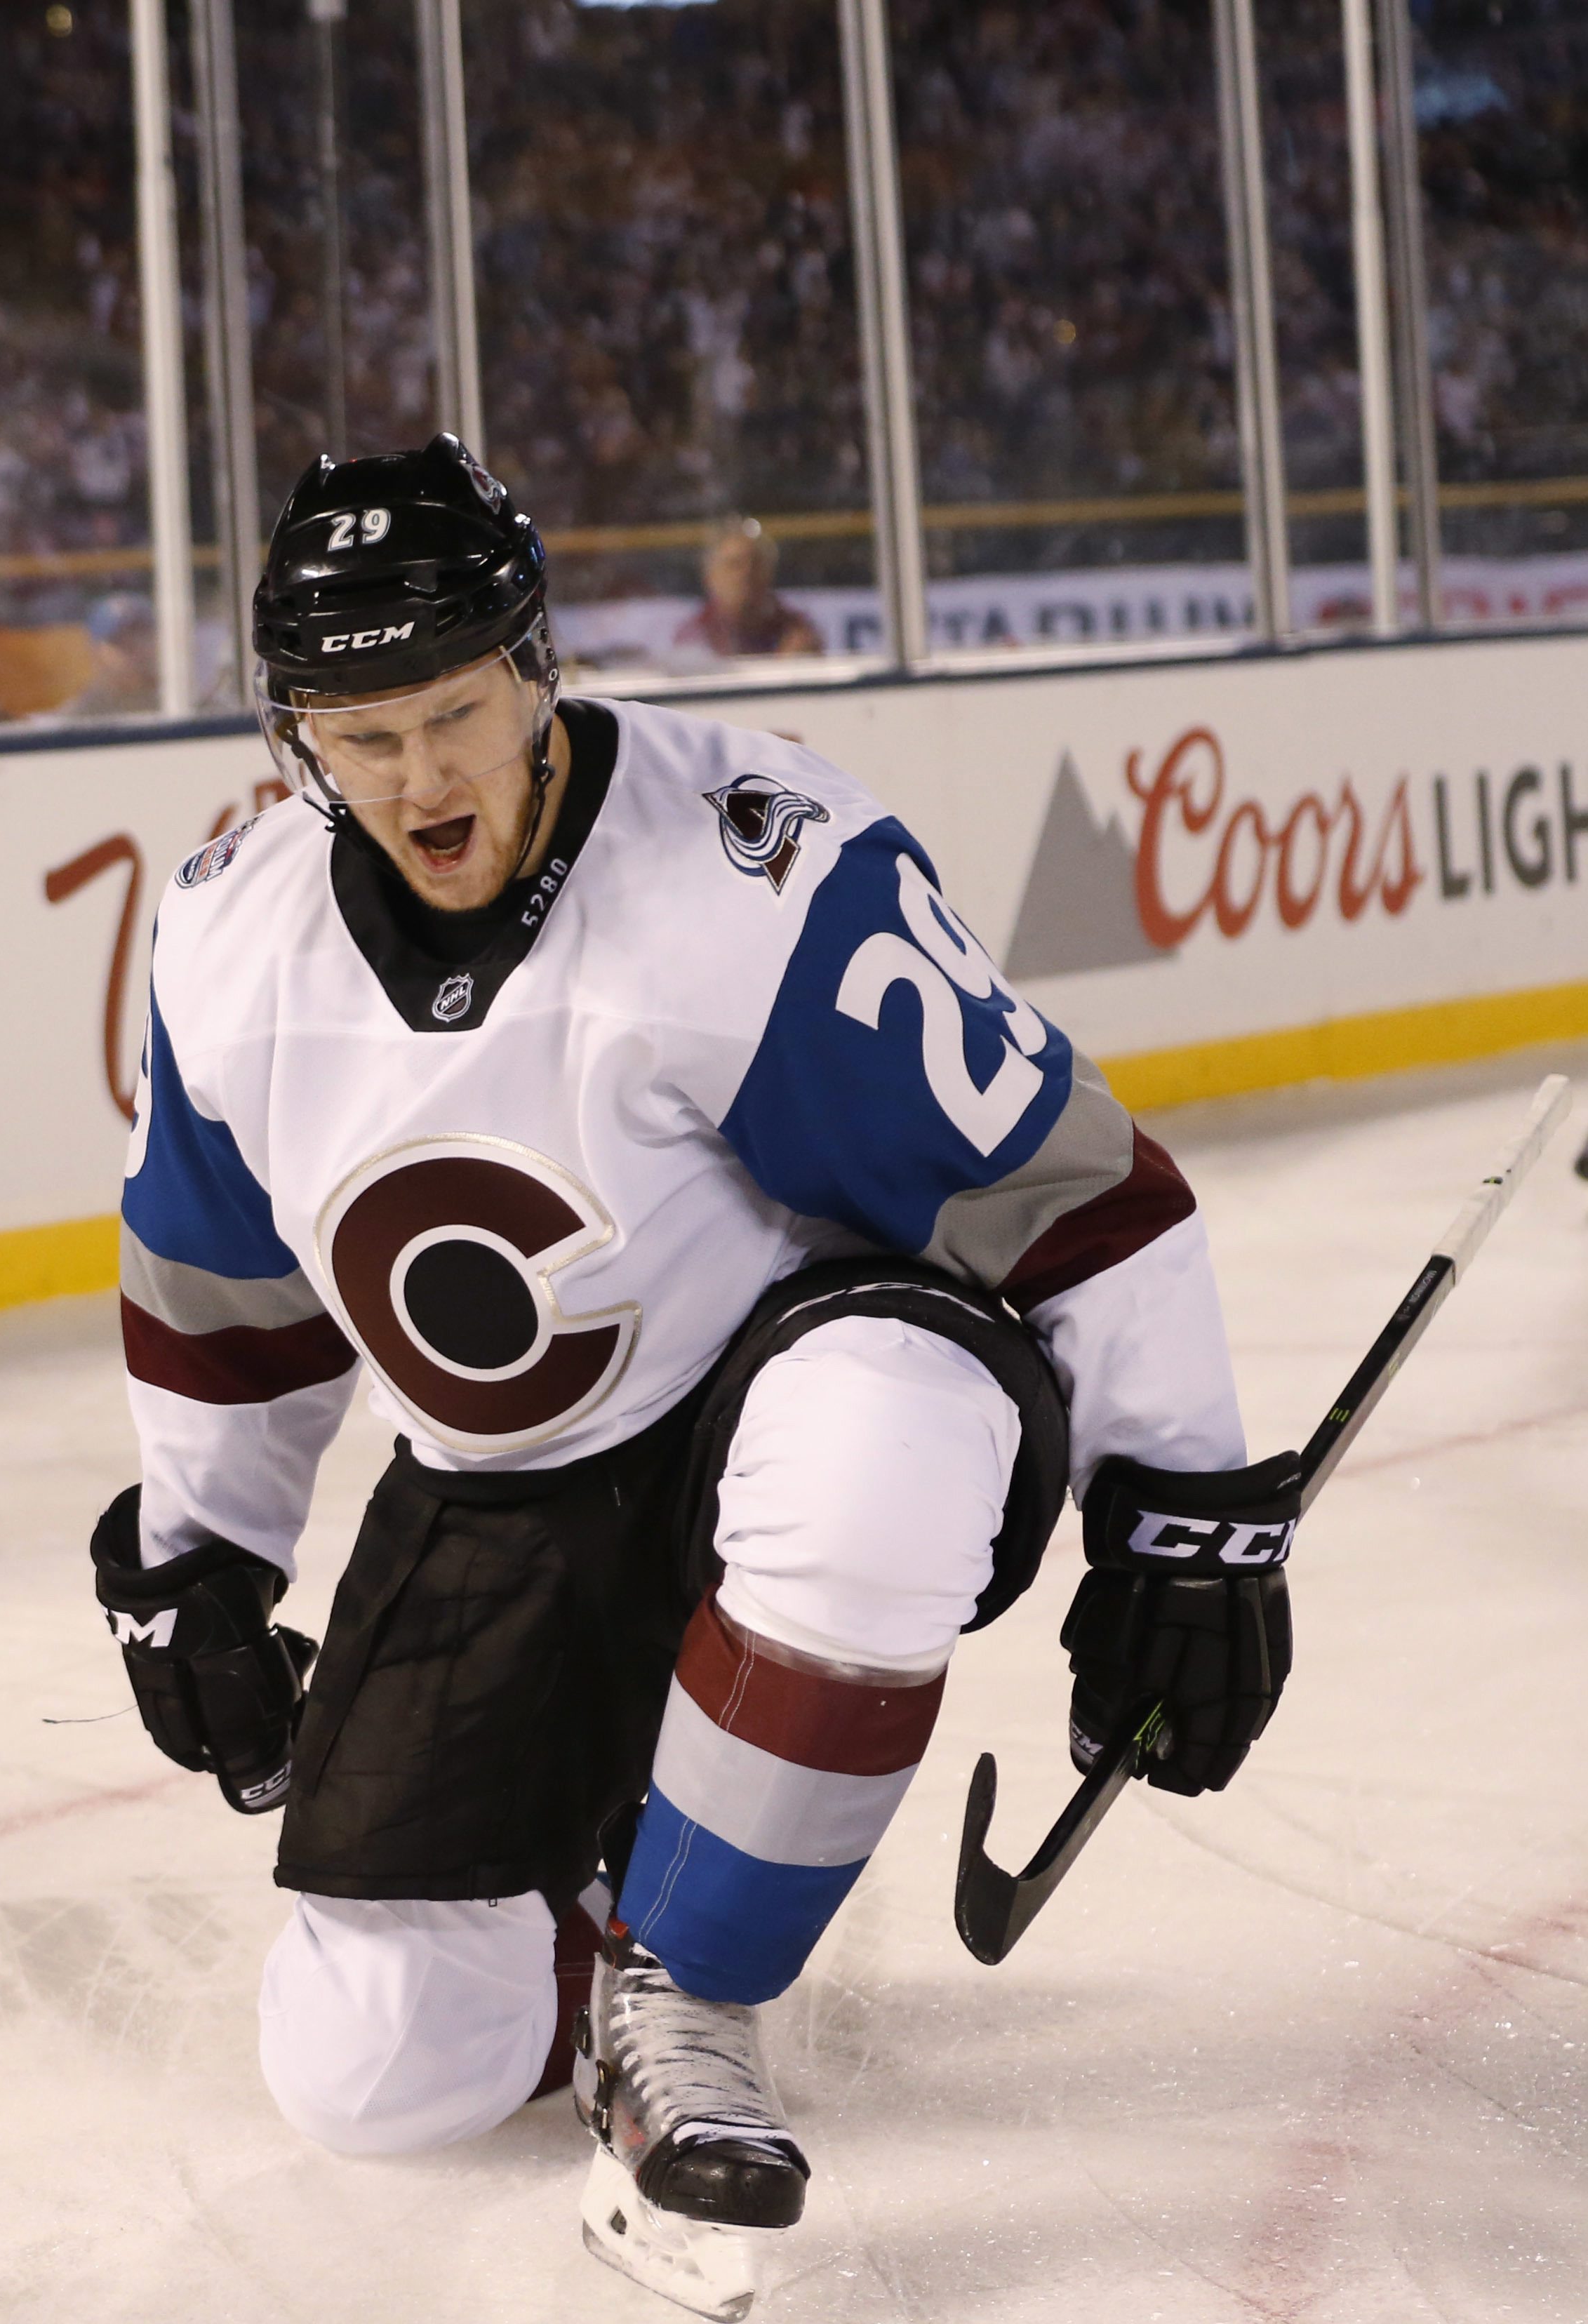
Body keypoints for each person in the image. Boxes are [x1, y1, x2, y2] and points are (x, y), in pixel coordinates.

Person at [92, 437, 1292, 2316]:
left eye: (458, 715)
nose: (421, 777)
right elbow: (217, 1295)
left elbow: (1073, 1202)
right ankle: (607, 1878)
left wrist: (1182, 1519)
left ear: (538, 667)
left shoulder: (751, 868)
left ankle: (687, 2004)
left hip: (803, 1392)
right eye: (364, 733)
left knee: (874, 1448)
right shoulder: (232, 933)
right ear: (290, 737)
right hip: (504, 1490)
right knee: (381, 2082)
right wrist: (197, 1564)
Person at [672, 514, 824, 660]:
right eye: (735, 565)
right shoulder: (696, 637)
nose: (746, 573)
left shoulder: (795, 630)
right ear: (710, 576)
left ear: (769, 573)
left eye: (755, 564)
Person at [54, 591, 158, 719]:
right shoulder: (83, 715)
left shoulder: (181, 696)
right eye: (121, 643)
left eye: (143, 636)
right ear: (97, 653)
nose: (136, 650)